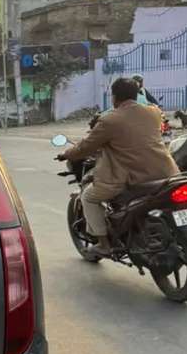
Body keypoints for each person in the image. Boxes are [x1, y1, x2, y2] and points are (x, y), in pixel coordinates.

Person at [58, 76, 179, 257]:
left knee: (88, 197)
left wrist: (66, 154)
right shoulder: (153, 112)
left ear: (114, 97)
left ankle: (103, 245)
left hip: (132, 177)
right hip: (165, 172)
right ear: (136, 94)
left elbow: (86, 147)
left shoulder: (110, 120)